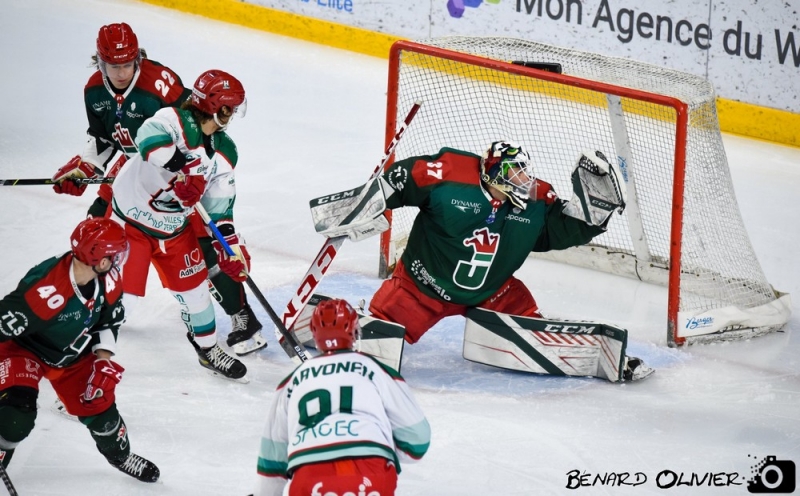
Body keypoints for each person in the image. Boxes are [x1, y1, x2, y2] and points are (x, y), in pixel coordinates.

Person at [315, 140, 651, 380]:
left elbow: (556, 232)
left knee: (536, 330)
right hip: (420, 289)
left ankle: (602, 359)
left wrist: (593, 216)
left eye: (524, 172)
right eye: (514, 173)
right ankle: (335, 324)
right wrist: (372, 199)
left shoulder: (534, 200)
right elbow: (403, 179)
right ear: (492, 174)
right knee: (375, 343)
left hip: (494, 292)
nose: (524, 180)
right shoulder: (449, 175)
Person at [49, 22, 264, 355]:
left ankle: (242, 317)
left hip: (182, 177)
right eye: (113, 65)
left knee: (206, 242)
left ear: (138, 57)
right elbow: (105, 139)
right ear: (100, 62)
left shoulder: (160, 84)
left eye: (127, 63)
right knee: (96, 230)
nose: (120, 73)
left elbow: (195, 126)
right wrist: (86, 166)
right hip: (135, 172)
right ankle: (88, 314)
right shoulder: (94, 90)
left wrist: (188, 170)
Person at [109, 69, 253, 380]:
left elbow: (219, 210)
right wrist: (184, 167)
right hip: (131, 222)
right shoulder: (173, 119)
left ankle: (207, 350)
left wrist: (230, 248)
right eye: (231, 107)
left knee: (197, 292)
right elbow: (147, 138)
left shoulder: (224, 152)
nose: (233, 114)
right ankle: (80, 361)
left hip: (173, 229)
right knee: (124, 300)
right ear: (219, 107)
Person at [0, 218, 159, 482]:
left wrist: (102, 361)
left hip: (74, 355)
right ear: (102, 260)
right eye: (116, 254)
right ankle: (3, 446)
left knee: (103, 414)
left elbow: (109, 321)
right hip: (25, 351)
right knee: (16, 418)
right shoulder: (43, 293)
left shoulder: (107, 277)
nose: (120, 259)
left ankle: (120, 457)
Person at [255, 299, 430, 496]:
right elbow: (418, 439)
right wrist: (383, 449)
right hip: (370, 470)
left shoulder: (290, 382)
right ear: (355, 332)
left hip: (310, 474)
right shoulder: (376, 369)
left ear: (313, 332)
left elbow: (272, 458)